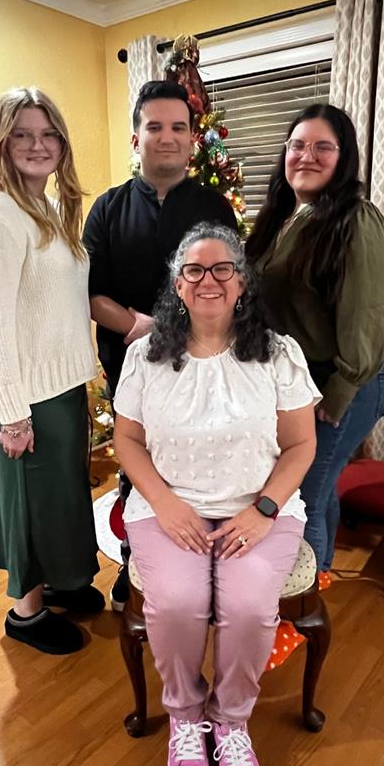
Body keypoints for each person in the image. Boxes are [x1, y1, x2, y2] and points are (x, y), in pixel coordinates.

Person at [112, 223, 320, 766]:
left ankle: (230, 725)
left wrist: (263, 510)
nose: (209, 280)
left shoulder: (279, 353)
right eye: (195, 270)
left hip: (258, 507)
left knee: (251, 607)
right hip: (167, 505)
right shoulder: (145, 356)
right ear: (178, 284)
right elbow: (126, 438)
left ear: (242, 280)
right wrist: (165, 502)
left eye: (223, 268)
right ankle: (184, 715)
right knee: (176, 602)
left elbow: (301, 446)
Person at [0, 86, 103, 655]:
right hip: (23, 392)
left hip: (59, 384)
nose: (37, 145)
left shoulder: (43, 206)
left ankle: (63, 584)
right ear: (0, 141)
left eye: (47, 134)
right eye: (22, 134)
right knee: (29, 501)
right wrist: (12, 415)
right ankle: (26, 612)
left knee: (60, 495)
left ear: (62, 144)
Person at [83, 79, 238, 611]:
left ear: (193, 138)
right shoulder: (106, 209)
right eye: (155, 127)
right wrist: (136, 326)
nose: (167, 137)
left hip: (204, 367)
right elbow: (88, 291)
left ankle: (205, 567)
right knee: (136, 472)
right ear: (136, 137)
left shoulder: (214, 205)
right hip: (130, 368)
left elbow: (229, 281)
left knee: (197, 466)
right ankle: (137, 567)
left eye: (178, 127)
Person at [245, 103, 384, 587]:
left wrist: (340, 387)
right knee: (321, 484)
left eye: (322, 147)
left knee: (303, 494)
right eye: (297, 145)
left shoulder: (356, 219)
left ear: (343, 157)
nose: (305, 156)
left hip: (342, 381)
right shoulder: (284, 217)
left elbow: (370, 313)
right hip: (297, 383)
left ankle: (300, 600)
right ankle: (320, 578)